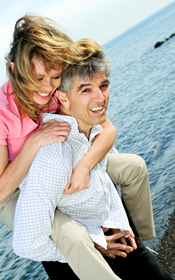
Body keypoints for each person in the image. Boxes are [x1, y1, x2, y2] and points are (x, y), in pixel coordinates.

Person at [0, 15, 154, 279]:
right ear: (15, 71)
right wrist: (33, 143)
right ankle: (98, 257)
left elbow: (108, 130)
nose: (47, 88)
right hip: (15, 192)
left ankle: (138, 243)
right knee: (70, 233)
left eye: (55, 76)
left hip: (62, 168)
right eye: (38, 78)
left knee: (133, 167)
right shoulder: (4, 113)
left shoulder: (55, 92)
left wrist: (84, 166)